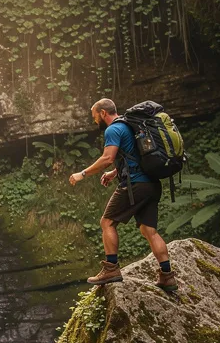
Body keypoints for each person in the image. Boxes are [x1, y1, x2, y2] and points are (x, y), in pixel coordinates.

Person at [68, 98, 178, 290]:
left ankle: (111, 269)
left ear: (103, 113)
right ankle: (167, 276)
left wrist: (82, 174)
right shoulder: (130, 126)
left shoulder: (113, 129)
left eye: (95, 116)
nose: (95, 121)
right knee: (149, 231)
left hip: (135, 184)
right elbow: (137, 155)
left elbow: (107, 158)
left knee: (107, 222)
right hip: (151, 184)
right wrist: (114, 173)